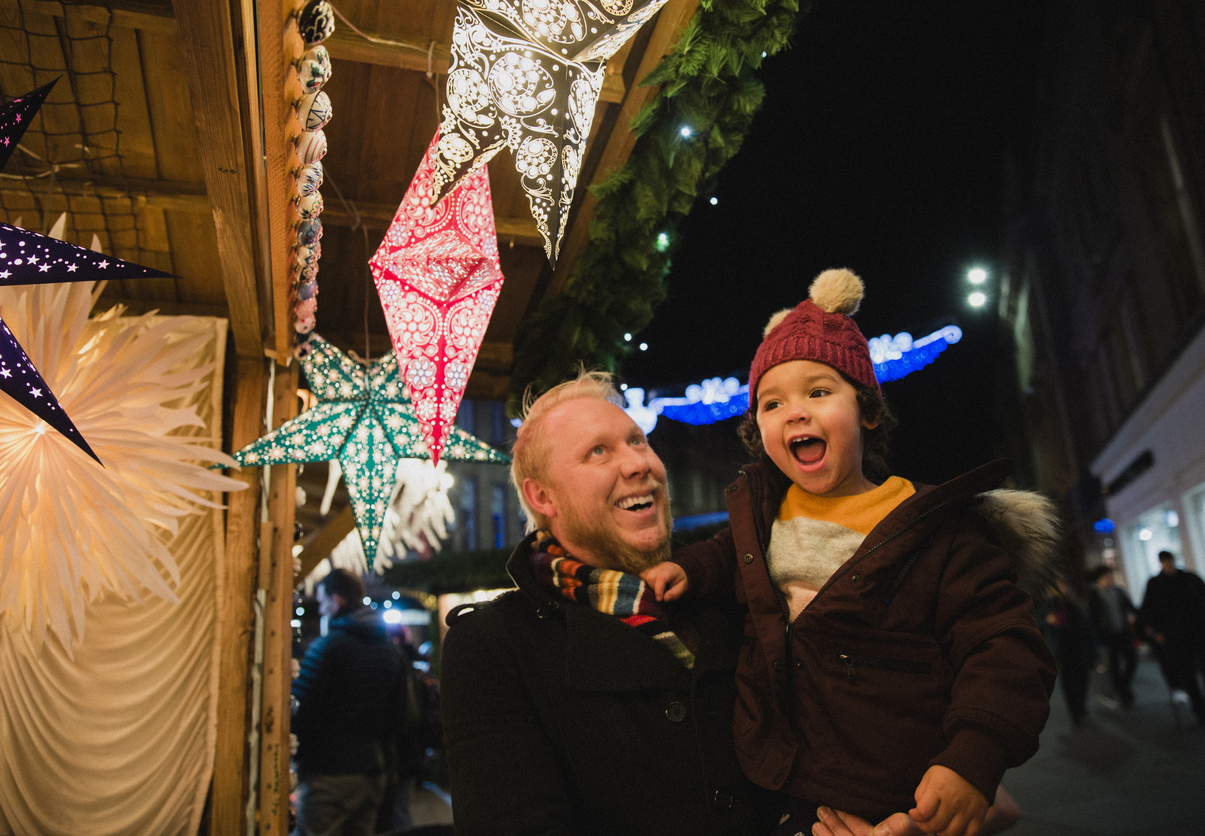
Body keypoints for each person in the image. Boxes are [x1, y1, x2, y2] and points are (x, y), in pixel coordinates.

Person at [642, 269, 1058, 836]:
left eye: (819, 391)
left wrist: (972, 761)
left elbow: (1004, 649)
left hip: (904, 790)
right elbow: (724, 554)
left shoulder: (936, 528)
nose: (795, 412)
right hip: (783, 785)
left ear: (868, 410)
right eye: (770, 403)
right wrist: (686, 569)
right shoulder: (760, 516)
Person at [440, 371, 783, 836]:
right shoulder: (495, 645)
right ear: (542, 497)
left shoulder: (726, 592)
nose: (638, 463)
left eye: (637, 441)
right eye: (597, 451)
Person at [292, 569, 410, 836]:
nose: (321, 610)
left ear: (337, 601)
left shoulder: (327, 648)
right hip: (372, 772)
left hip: (328, 774)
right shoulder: (391, 651)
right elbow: (400, 716)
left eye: (323, 602)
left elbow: (300, 709)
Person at [1136, 550, 1205, 724]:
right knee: (1187, 674)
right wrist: (1155, 632)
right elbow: (1148, 611)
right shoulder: (1156, 584)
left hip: (1197, 632)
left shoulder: (1190, 579)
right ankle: (1200, 711)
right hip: (1175, 637)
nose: (1168, 565)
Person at [1039, 577, 1098, 725]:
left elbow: (1088, 627)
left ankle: (1081, 707)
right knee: (1069, 682)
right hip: (1062, 649)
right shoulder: (1049, 605)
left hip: (1079, 647)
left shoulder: (1075, 603)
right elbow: (1037, 623)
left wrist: (1093, 648)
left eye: (1064, 585)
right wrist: (1047, 620)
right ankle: (1075, 712)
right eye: (1059, 585)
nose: (1062, 588)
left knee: (1083, 679)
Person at [1087, 565, 1137, 708]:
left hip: (1122, 633)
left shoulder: (1118, 592)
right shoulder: (1094, 595)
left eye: (1111, 576)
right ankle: (1123, 694)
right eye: (1107, 577)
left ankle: (1123, 687)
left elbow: (1130, 607)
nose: (1110, 579)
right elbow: (1093, 618)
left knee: (1132, 660)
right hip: (1108, 636)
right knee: (1114, 665)